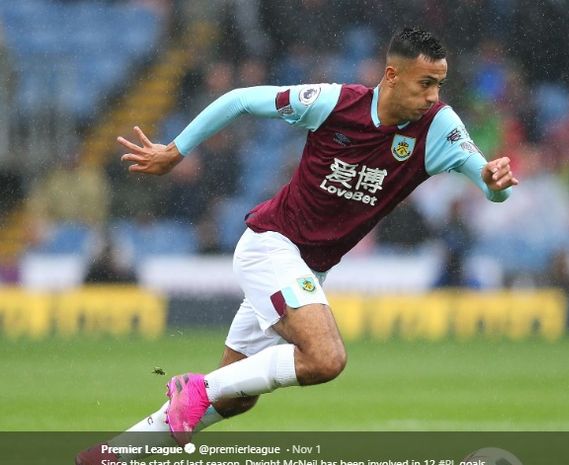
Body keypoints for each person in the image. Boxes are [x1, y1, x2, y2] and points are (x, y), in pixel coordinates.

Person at [76, 26, 518, 464]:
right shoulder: (334, 104)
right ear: (391, 76)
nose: (433, 97)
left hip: (307, 271)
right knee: (325, 358)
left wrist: (495, 184)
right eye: (425, 83)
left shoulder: (439, 127)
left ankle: (116, 453)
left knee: (235, 398)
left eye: (439, 84)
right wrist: (176, 149)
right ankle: (196, 388)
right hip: (271, 246)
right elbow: (241, 100)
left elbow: (490, 183)